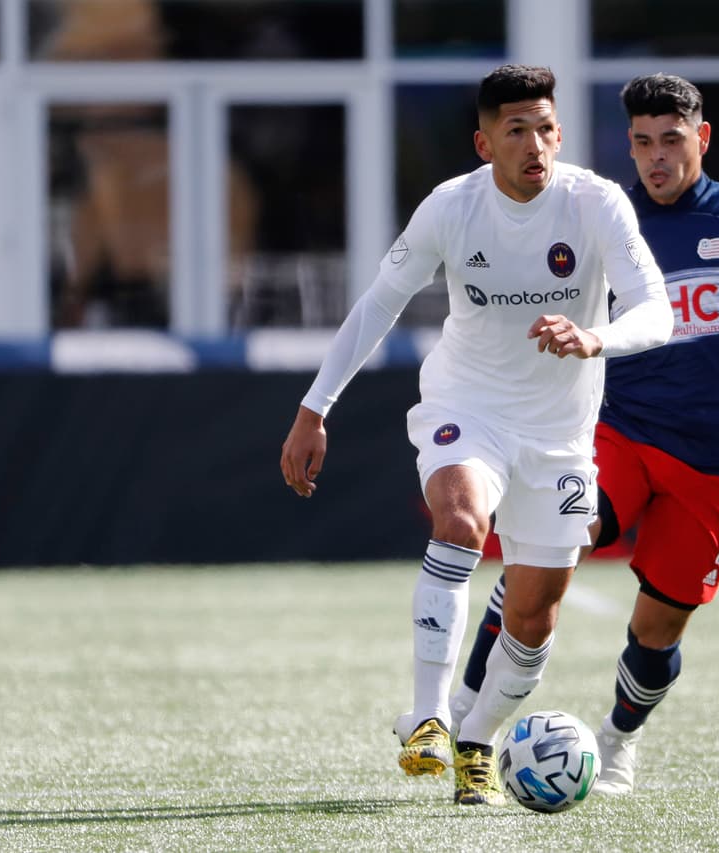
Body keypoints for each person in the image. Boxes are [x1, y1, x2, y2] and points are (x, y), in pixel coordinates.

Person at [279, 64, 672, 806]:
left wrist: (596, 337)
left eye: (547, 128)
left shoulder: (596, 204)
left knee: (532, 618)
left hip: (559, 435)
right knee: (459, 518)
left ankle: (477, 739)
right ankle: (428, 715)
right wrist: (314, 407)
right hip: (469, 403)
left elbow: (658, 311)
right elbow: (377, 306)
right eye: (516, 129)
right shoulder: (451, 207)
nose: (536, 144)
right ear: (484, 142)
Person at [449, 73, 719, 795]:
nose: (655, 158)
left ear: (703, 138)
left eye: (671, 141)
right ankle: (468, 716)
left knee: (659, 628)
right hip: (613, 432)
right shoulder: (605, 214)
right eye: (641, 143)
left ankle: (619, 740)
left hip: (714, 458)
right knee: (545, 548)